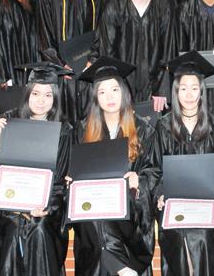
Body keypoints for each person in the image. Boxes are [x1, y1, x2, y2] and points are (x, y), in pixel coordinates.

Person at [73, 57, 158, 276]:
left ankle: (115, 263)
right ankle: (123, 268)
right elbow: (72, 172)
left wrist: (138, 180)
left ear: (124, 92)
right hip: (93, 208)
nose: (109, 97)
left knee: (101, 220)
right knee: (94, 215)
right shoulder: (81, 130)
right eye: (102, 92)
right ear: (95, 97)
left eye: (114, 90)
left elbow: (154, 170)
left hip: (129, 209)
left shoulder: (143, 128)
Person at [153, 52, 214, 276]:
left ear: (202, 91)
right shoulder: (164, 126)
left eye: (194, 88)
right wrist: (159, 193)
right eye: (183, 88)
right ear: (175, 92)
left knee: (202, 233)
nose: (189, 94)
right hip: (173, 199)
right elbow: (155, 167)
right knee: (177, 232)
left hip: (208, 199)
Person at [0, 62, 73, 276]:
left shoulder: (63, 130)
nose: (41, 100)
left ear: (55, 98)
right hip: (11, 203)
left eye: (48, 95)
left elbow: (59, 180)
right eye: (36, 93)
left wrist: (41, 206)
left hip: (47, 203)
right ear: (27, 93)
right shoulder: (9, 121)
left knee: (40, 228)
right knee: (13, 228)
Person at [92, 0, 177, 113]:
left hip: (154, 87)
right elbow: (107, 51)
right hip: (122, 84)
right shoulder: (114, 5)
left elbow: (169, 49)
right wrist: (116, 89)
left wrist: (162, 90)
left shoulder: (164, 5)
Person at [37, 0, 102, 122]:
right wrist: (60, 65)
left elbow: (100, 29)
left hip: (87, 69)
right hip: (60, 73)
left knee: (89, 121)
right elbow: (44, 31)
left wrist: (92, 59)